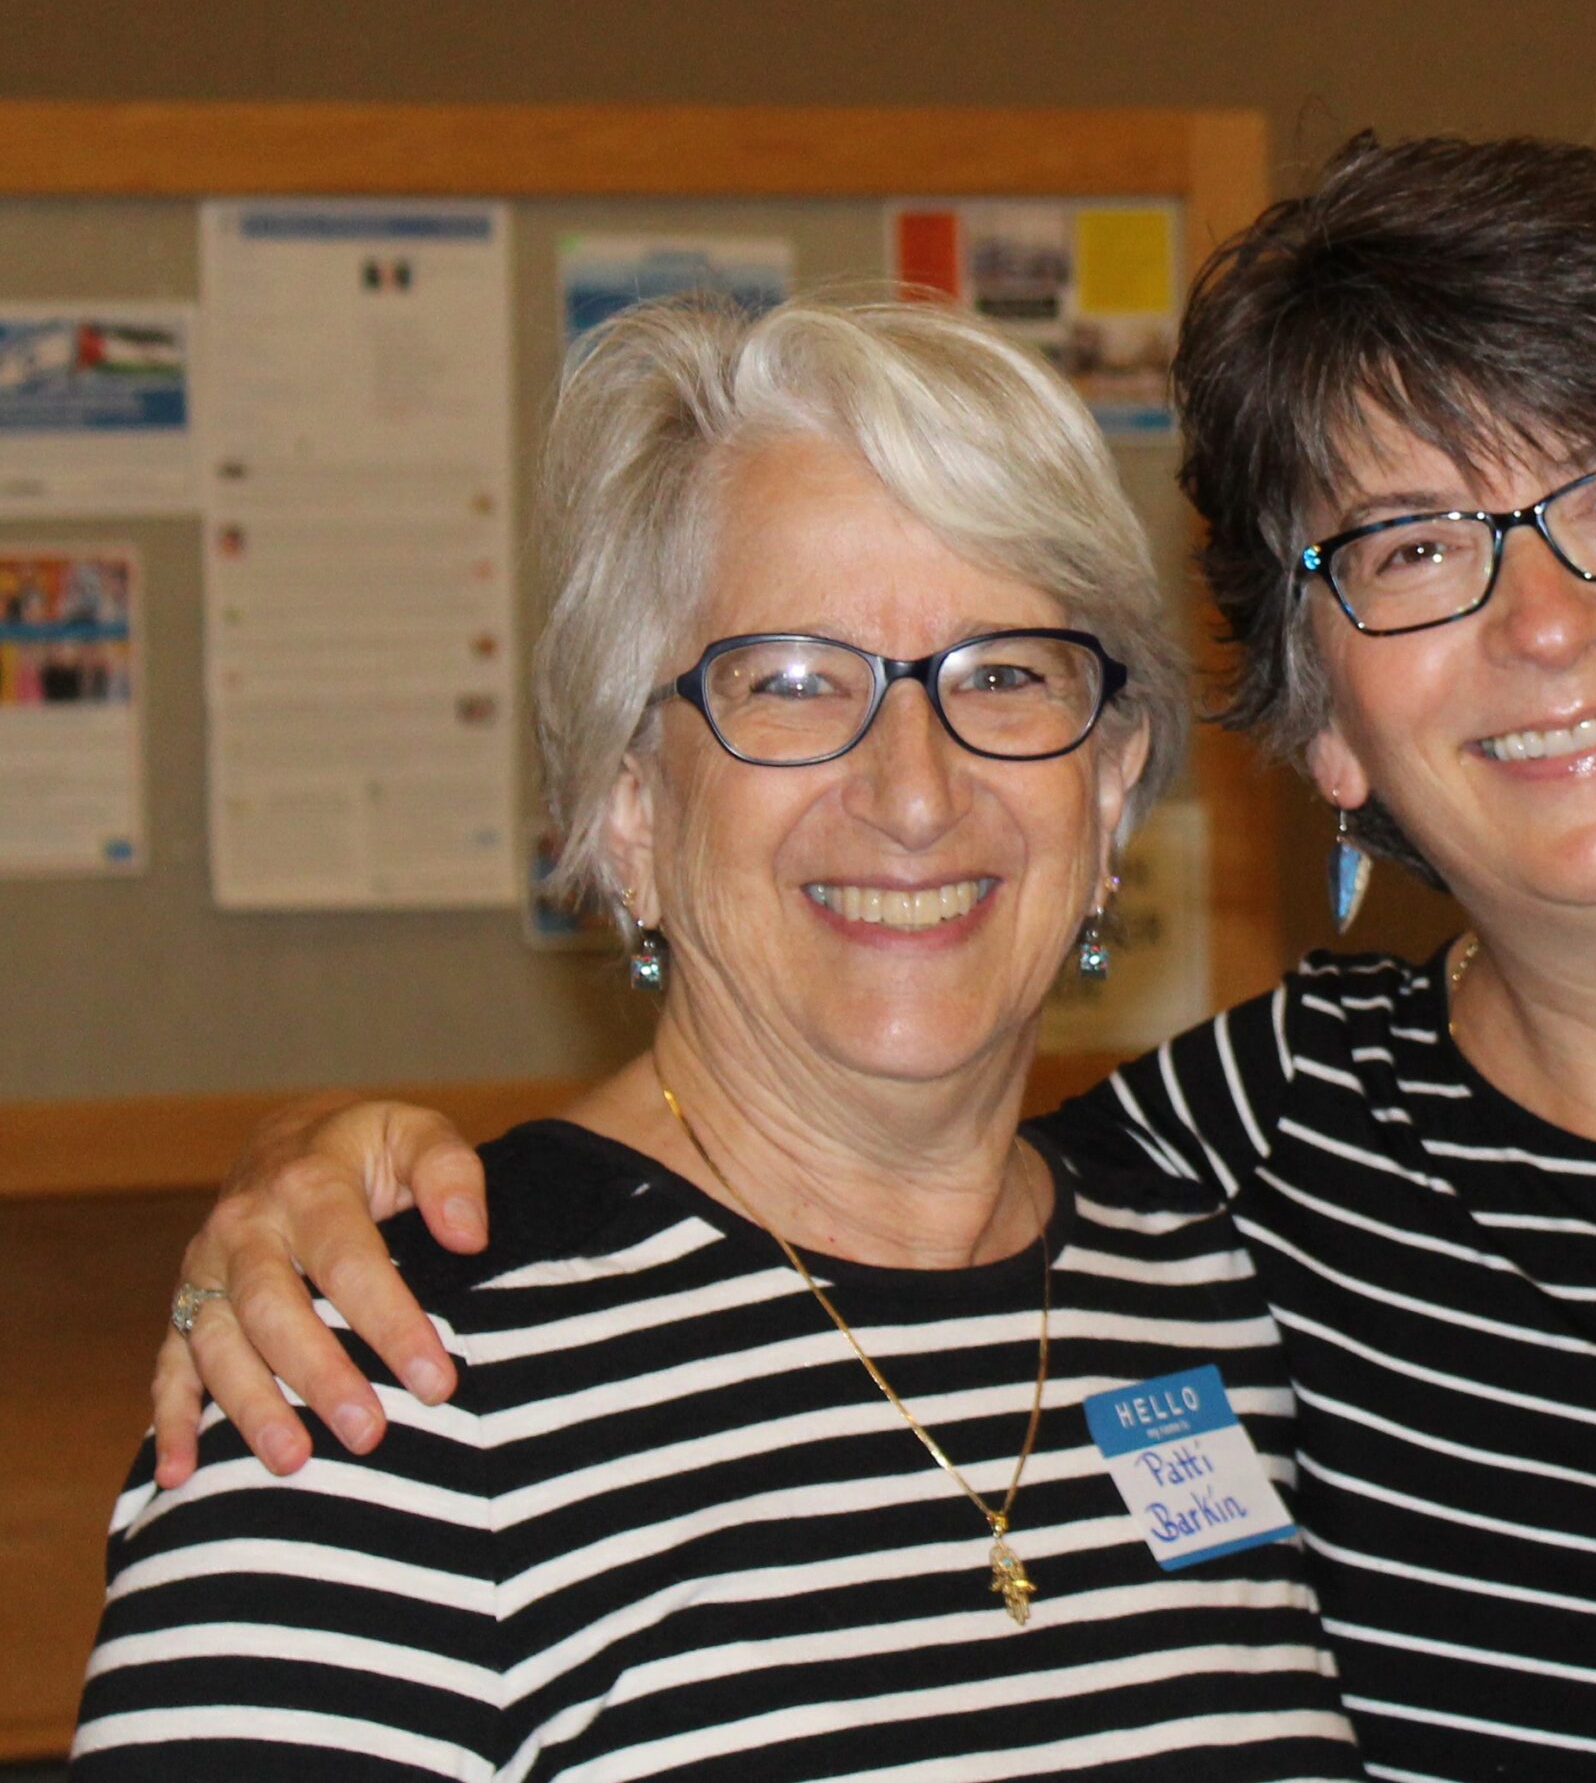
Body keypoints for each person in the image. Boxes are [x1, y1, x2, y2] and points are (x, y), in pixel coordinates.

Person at [151, 137, 1596, 1780]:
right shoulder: (1262, 1160)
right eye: (1398, 546)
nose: (1531, 619)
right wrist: (330, 1182)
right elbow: (824, 1160)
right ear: (1313, 735)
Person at [74, 297, 1365, 1779]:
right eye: (795, 682)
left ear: (1114, 782)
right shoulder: (376, 1388)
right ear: (629, 806)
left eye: (1005, 674)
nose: (916, 788)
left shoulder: (1214, 1287)